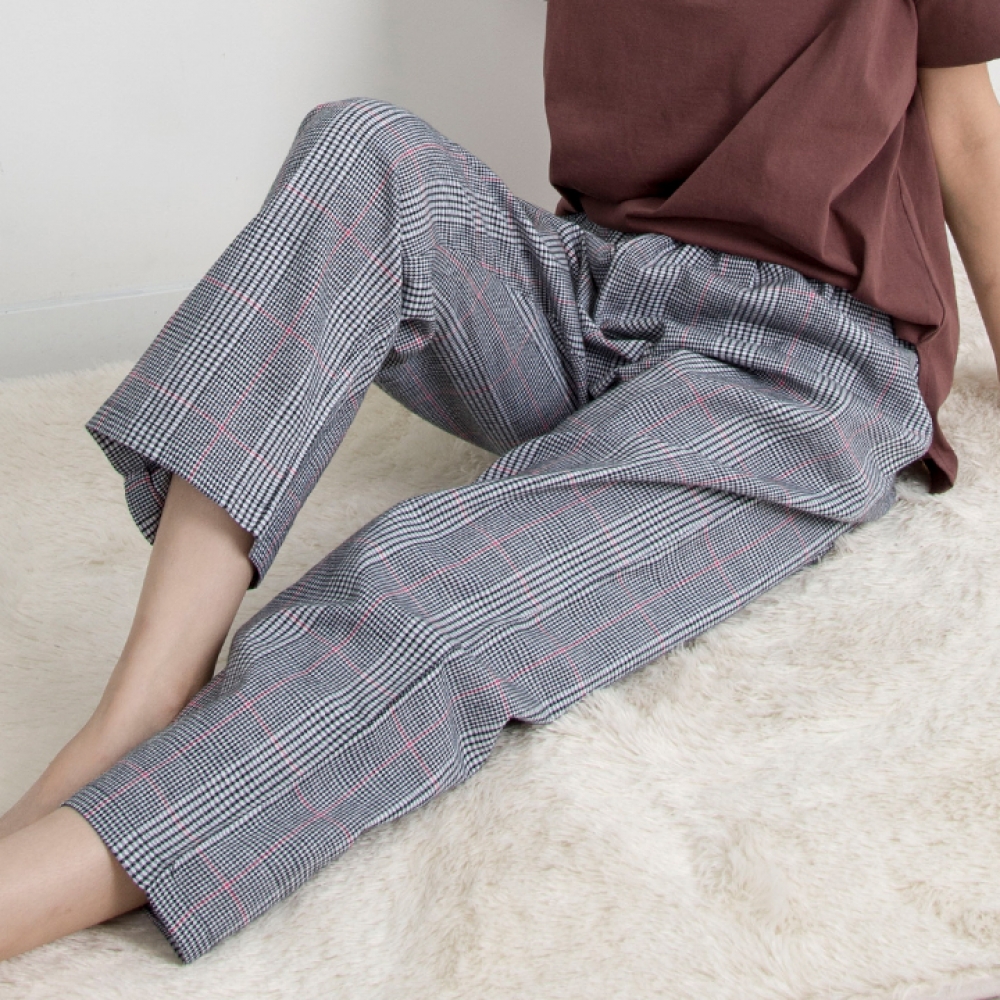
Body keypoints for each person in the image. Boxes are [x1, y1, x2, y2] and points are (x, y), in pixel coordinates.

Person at [2, 0, 999, 965]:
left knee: (434, 585)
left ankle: (44, 882)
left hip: (798, 356)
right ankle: (141, 706)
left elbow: (966, 133)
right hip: (595, 282)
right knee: (363, 151)